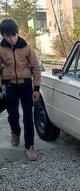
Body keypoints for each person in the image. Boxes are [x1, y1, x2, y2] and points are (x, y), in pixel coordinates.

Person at [0, 18, 41, 161]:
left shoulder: (27, 47)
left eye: (14, 35)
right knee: (13, 116)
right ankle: (15, 133)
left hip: (26, 86)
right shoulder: (0, 48)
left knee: (28, 118)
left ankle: (29, 146)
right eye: (8, 36)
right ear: (3, 35)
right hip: (10, 86)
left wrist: (36, 88)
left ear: (17, 33)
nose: (12, 39)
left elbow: (36, 68)